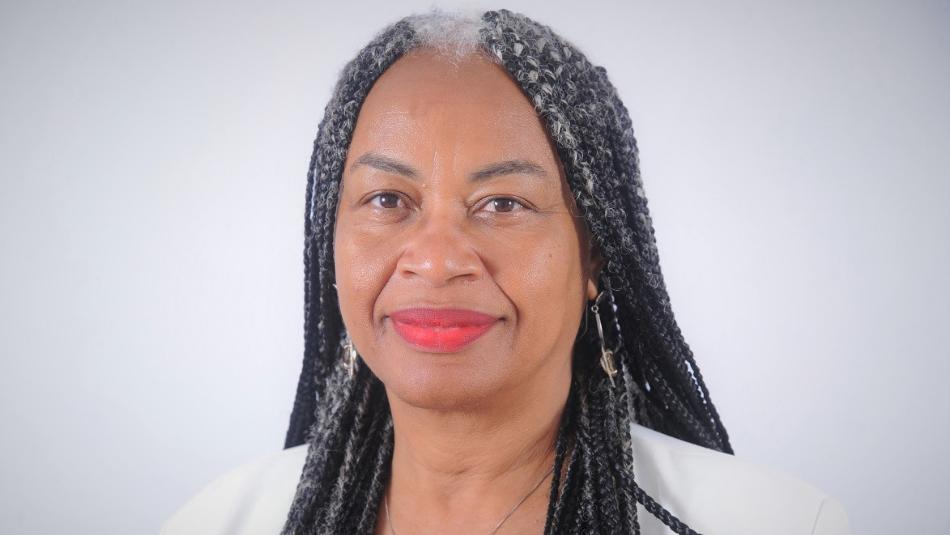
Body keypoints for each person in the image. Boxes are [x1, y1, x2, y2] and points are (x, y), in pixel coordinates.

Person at [162, 8, 850, 535]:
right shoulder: (220, 522)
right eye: (388, 200)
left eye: (502, 203)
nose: (436, 259)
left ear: (594, 252)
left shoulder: (780, 523)